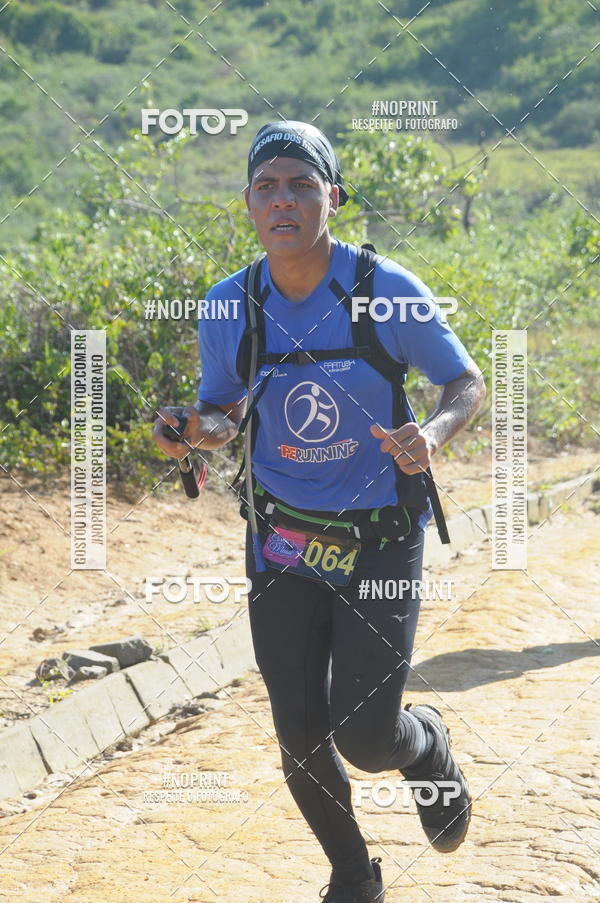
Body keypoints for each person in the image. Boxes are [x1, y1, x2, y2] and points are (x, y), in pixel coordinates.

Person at [153, 120, 486, 903]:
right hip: (284, 540)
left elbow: (464, 382)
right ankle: (351, 875)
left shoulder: (385, 289)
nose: (284, 200)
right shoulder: (229, 304)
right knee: (300, 732)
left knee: (367, 738)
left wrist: (431, 434)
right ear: (247, 205)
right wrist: (189, 433)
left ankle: (426, 741)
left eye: (302, 184)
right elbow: (223, 412)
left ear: (332, 197)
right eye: (266, 186)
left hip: (379, 538)